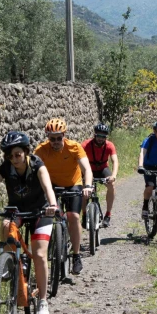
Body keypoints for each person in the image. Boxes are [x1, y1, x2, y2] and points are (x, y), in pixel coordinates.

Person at [0, 131, 57, 314]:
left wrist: (52, 206)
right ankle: (9, 261)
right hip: (17, 211)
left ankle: (42, 301)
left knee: (40, 254)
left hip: (40, 212)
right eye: (10, 156)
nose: (14, 159)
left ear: (26, 152)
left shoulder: (37, 165)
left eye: (18, 155)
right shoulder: (6, 169)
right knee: (6, 223)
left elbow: (48, 188)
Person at [34, 118, 93, 275]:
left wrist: (87, 186)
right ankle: (48, 248)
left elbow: (87, 169)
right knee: (47, 214)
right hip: (52, 186)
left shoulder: (74, 147)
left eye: (59, 138)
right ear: (48, 138)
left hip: (73, 183)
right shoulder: (41, 150)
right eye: (52, 139)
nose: (55, 142)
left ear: (64, 135)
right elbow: (32, 170)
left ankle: (76, 255)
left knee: (73, 216)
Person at [81, 123, 118, 228]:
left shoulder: (109, 145)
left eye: (103, 137)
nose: (100, 139)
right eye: (98, 136)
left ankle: (108, 215)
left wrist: (113, 176)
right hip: (89, 170)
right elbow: (77, 159)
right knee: (84, 190)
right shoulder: (86, 145)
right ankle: (84, 215)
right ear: (95, 135)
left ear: (106, 137)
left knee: (111, 185)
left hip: (103, 169)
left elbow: (115, 161)